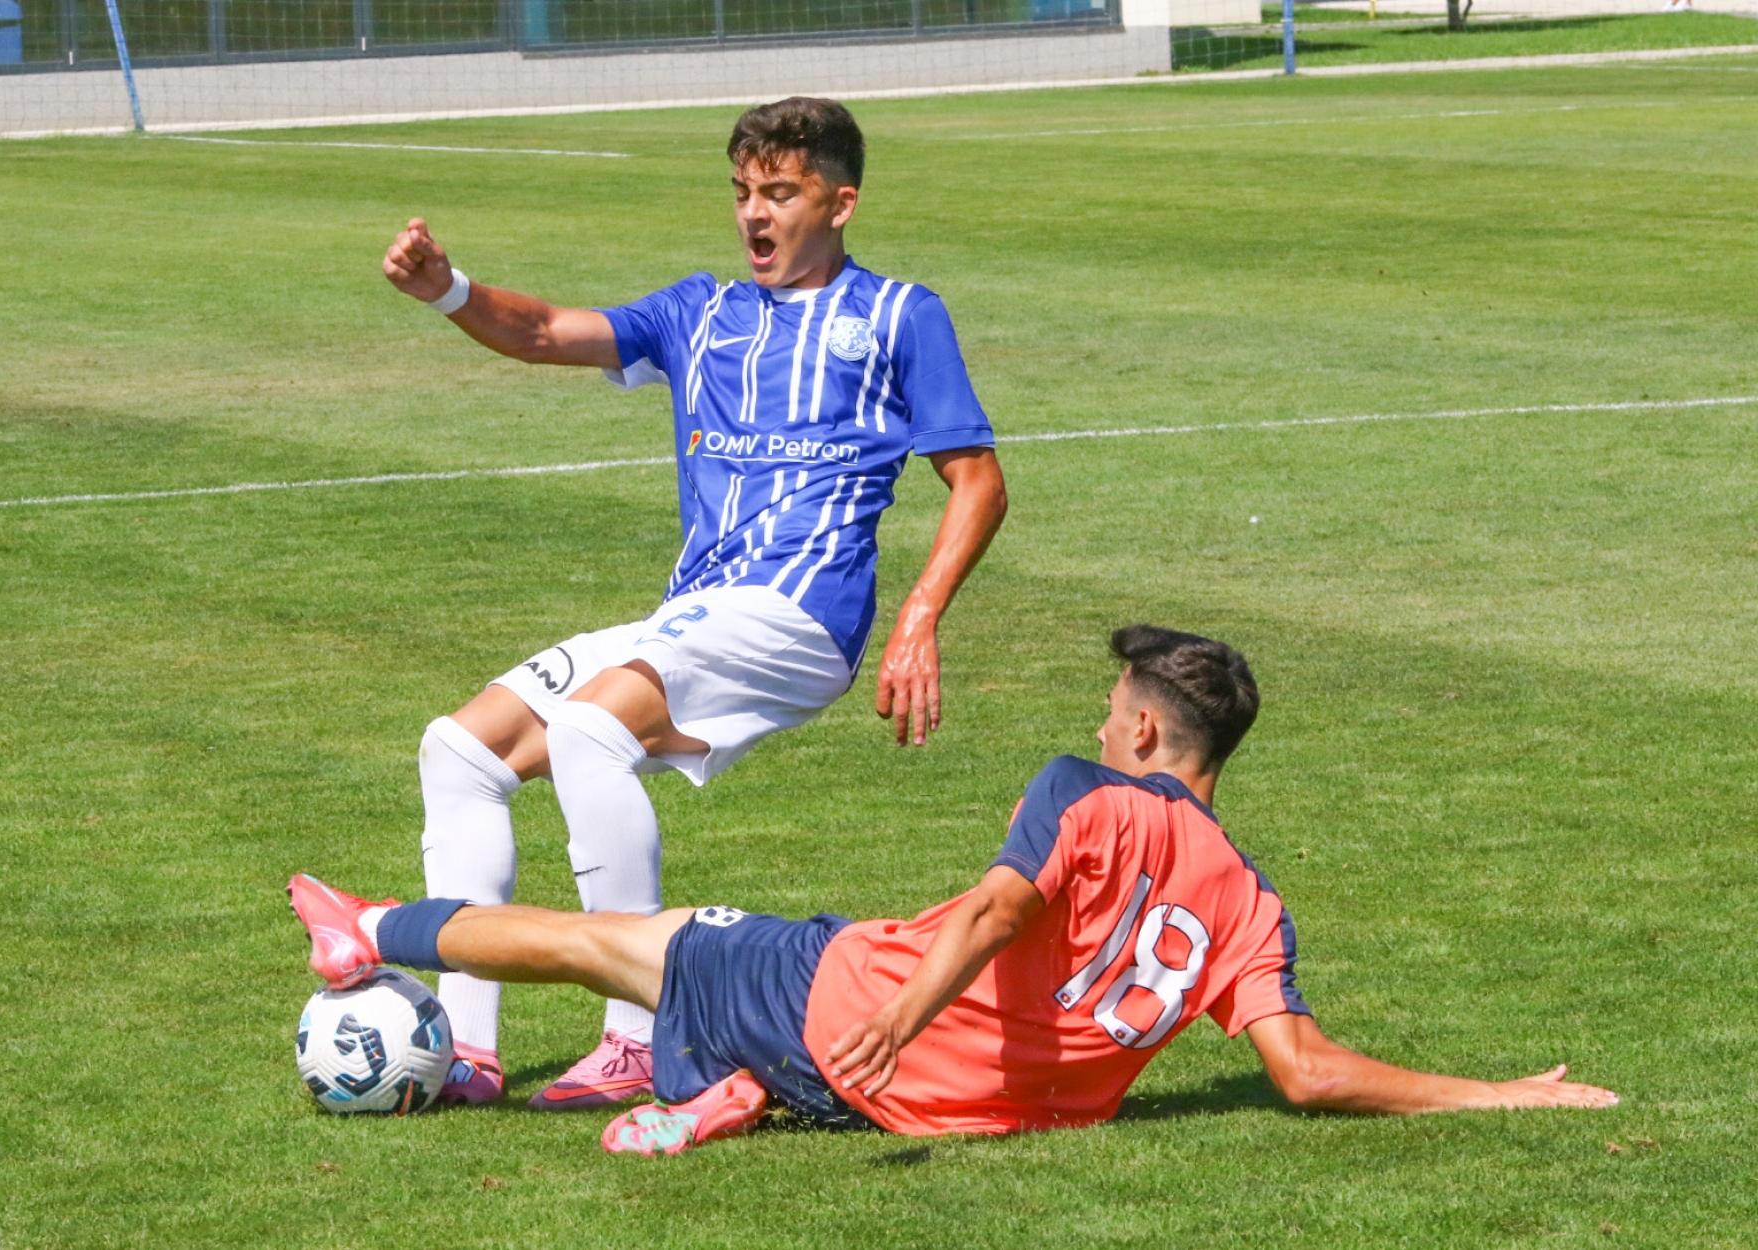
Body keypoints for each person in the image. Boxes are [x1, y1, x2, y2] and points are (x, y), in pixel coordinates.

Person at [289, 625, 1618, 1152]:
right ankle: (735, 1091)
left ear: (1146, 730)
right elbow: (1308, 1073)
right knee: (763, 989)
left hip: (849, 1009)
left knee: (621, 940)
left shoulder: (1086, 791)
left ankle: (369, 928)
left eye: (1110, 710)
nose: (1099, 725)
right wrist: (1500, 1090)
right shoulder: (1251, 902)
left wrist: (898, 1019)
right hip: (985, 1111)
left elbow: (993, 912)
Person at [378, 96, 1008, 1109]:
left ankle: (637, 1033)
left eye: (782, 193)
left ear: (840, 203)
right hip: (697, 612)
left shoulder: (899, 315)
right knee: (460, 750)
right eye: (744, 192)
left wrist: (920, 616)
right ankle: (466, 1049)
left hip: (799, 615)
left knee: (588, 730)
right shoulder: (699, 313)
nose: (756, 213)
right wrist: (446, 288)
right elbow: (542, 330)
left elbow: (977, 481)